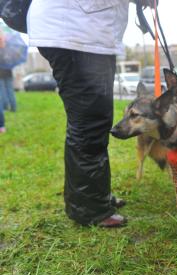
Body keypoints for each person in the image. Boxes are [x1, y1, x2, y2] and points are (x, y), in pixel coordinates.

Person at [27, 0, 134, 227]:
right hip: (78, 31)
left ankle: (93, 198)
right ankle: (89, 209)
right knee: (89, 123)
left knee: (92, 120)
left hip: (83, 30)